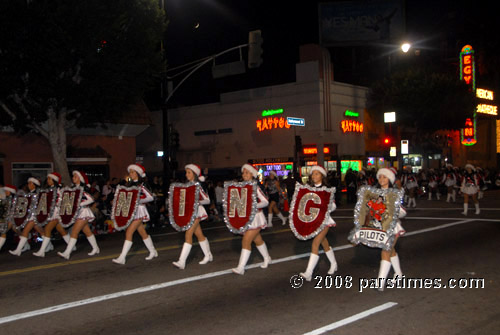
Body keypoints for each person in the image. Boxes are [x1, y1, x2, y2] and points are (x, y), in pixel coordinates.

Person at [112, 164, 158, 264]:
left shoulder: (142, 184)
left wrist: (138, 201)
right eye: (130, 172)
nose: (131, 174)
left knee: (129, 232)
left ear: (138, 173)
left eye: (133, 172)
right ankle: (153, 251)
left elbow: (150, 197)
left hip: (140, 211)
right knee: (142, 232)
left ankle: (122, 257)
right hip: (133, 211)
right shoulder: (129, 184)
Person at [299, 166, 338, 281]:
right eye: (313, 174)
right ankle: (334, 264)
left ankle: (308, 273)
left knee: (315, 243)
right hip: (313, 220)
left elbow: (334, 205)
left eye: (317, 174)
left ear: (322, 175)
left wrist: (324, 208)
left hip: (324, 220)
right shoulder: (309, 188)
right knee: (324, 244)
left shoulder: (327, 189)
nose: (315, 176)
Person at [232, 164, 272, 275]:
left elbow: (265, 201)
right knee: (257, 240)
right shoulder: (241, 187)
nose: (244, 175)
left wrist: (253, 206)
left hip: (256, 218)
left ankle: (241, 267)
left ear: (252, 175)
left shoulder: (256, 187)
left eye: (247, 172)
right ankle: (267, 258)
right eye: (243, 173)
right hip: (246, 218)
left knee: (246, 240)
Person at [371, 168, 406, 291]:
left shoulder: (394, 193)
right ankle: (399, 274)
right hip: (380, 227)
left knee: (385, 251)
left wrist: (391, 212)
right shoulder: (375, 193)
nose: (381, 179)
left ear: (389, 179)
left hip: (392, 227)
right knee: (391, 251)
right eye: (380, 177)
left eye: (384, 177)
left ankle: (380, 283)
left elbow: (403, 211)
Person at [172, 164, 213, 269]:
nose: (186, 174)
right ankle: (208, 255)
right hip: (190, 212)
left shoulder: (199, 185)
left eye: (189, 172)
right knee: (199, 235)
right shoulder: (187, 185)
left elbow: (207, 200)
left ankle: (182, 261)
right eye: (186, 172)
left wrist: (195, 202)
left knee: (188, 233)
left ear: (194, 174)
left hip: (197, 212)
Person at [57, 170, 100, 259]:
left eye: (75, 176)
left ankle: (67, 253)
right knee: (87, 231)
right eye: (73, 176)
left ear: (80, 178)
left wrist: (80, 204)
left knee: (74, 231)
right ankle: (96, 248)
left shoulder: (82, 188)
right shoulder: (73, 188)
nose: (73, 178)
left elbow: (91, 199)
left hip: (84, 212)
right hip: (78, 213)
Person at [32, 172, 76, 257]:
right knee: (61, 230)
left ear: (54, 180)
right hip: (51, 212)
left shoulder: (59, 189)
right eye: (47, 179)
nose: (47, 180)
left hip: (56, 213)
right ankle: (72, 246)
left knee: (47, 229)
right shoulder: (48, 189)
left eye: (49, 178)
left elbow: (62, 200)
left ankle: (42, 251)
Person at [9, 177, 54, 256]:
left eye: (30, 183)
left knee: (26, 231)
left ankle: (18, 250)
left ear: (35, 185)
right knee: (40, 231)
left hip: (35, 216)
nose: (28, 185)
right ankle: (49, 245)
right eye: (28, 183)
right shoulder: (29, 194)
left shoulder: (39, 193)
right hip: (30, 216)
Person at [0, 184, 18, 251]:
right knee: (19, 232)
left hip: (11, 219)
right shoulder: (5, 199)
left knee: (3, 232)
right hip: (5, 219)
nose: (5, 192)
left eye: (6, 191)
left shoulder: (14, 200)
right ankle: (25, 242)